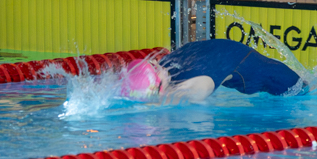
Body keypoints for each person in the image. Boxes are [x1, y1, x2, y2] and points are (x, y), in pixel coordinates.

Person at [120, 39, 306, 103]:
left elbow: (195, 102)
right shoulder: (169, 65)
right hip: (243, 60)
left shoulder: (200, 82)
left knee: (303, 90)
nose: (156, 62)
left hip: (286, 85)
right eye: (153, 66)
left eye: (152, 63)